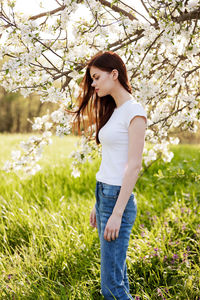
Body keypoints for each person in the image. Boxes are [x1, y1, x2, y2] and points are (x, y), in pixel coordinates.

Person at [72, 51, 147, 300]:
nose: (93, 84)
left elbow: (134, 166)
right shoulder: (115, 110)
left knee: (111, 288)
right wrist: (98, 203)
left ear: (114, 74)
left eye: (96, 77)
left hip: (118, 200)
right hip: (104, 193)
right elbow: (110, 160)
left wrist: (116, 213)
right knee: (118, 278)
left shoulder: (134, 111)